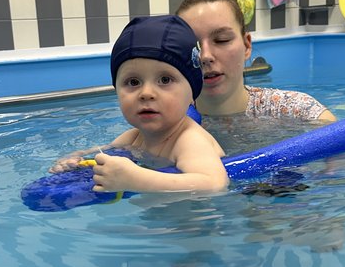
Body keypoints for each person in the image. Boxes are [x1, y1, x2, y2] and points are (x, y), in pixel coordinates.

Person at [50, 15, 228, 195]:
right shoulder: (133, 138)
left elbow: (215, 183)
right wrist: (75, 160)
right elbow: (100, 154)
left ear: (192, 94)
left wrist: (135, 180)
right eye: (133, 82)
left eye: (165, 80)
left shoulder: (189, 140)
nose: (146, 93)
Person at [176, 0, 337, 121]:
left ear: (246, 46)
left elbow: (332, 133)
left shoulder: (294, 110)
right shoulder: (171, 119)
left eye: (221, 40)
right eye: (193, 45)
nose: (205, 56)